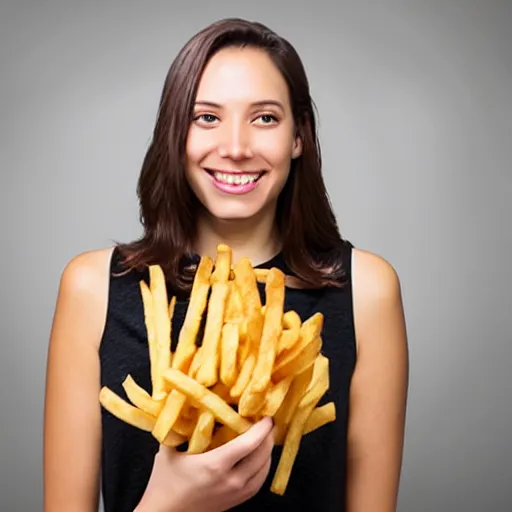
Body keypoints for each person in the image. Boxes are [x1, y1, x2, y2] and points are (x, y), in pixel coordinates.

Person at [43, 17, 409, 512]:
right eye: (207, 117)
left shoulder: (367, 290)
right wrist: (168, 503)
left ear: (298, 137)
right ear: (176, 133)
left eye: (264, 118)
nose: (235, 148)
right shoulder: (92, 289)